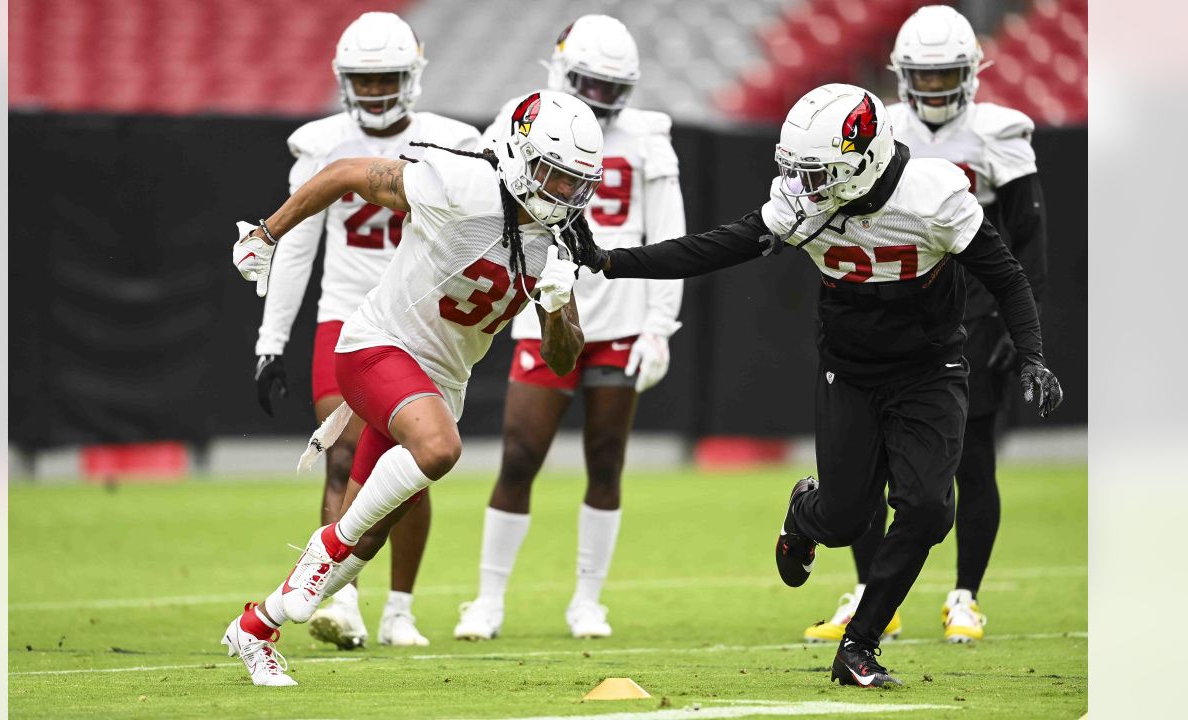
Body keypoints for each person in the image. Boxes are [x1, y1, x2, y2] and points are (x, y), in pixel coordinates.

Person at [583, 83, 1062, 687]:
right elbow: (716, 249)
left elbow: (1009, 276)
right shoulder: (802, 202)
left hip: (929, 369)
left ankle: (860, 644)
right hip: (852, 372)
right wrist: (611, 260)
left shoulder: (935, 196)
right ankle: (804, 516)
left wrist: (1033, 356)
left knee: (927, 510)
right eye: (798, 171)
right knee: (841, 520)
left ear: (861, 162)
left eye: (817, 173)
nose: (801, 187)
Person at [223, 90, 607, 686]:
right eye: (551, 175)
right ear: (517, 156)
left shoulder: (560, 240)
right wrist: (269, 234)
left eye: (574, 182)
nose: (562, 193)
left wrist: (556, 309)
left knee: (362, 545)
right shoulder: (460, 183)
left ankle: (257, 626)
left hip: (439, 382)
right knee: (439, 450)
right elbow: (347, 173)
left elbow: (562, 358)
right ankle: (320, 556)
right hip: (377, 347)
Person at [802, 5, 1049, 646]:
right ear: (902, 74)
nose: (935, 90)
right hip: (898, 309)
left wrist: (1012, 329)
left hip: (969, 315)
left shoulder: (998, 131)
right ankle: (869, 592)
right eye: (924, 76)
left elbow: (1026, 239)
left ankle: (965, 595)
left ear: (971, 73)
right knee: (868, 466)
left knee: (971, 462)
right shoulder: (876, 125)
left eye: (947, 77)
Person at [453, 14, 684, 642]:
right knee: (520, 455)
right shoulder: (518, 121)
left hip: (621, 316)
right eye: (590, 83)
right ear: (560, 70)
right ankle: (488, 598)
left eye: (612, 89)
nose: (600, 101)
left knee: (606, 459)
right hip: (546, 307)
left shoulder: (646, 139)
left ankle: (587, 601)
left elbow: (666, 234)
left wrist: (661, 323)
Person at [253, 11, 480, 650]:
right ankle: (343, 597)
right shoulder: (320, 144)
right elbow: (294, 248)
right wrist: (270, 341)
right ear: (344, 79)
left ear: (412, 76)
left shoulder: (454, 140)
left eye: (388, 78)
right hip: (351, 316)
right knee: (347, 454)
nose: (377, 91)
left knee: (415, 461)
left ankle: (400, 607)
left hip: (423, 318)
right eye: (365, 78)